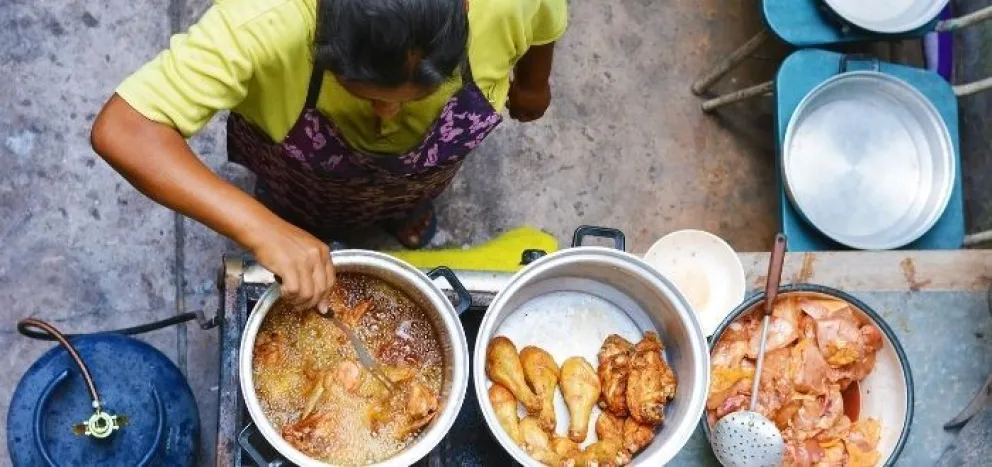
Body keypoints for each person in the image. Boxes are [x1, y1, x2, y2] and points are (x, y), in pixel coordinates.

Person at [91, 0, 567, 310]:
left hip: (427, 164)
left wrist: (533, 83)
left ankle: (404, 209)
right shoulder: (265, 17)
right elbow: (124, 129)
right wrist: (263, 228)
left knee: (415, 191)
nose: (387, 113)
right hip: (301, 169)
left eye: (419, 92)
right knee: (293, 207)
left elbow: (545, 21)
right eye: (364, 93)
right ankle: (296, 219)